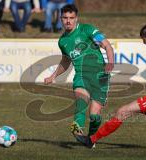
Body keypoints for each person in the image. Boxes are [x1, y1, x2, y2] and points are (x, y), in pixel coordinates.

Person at [44, 4, 114, 138]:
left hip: (100, 75)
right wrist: (53, 76)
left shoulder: (87, 29)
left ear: (76, 18)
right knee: (81, 101)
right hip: (81, 75)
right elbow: (66, 61)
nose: (68, 21)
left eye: (71, 17)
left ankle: (92, 138)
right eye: (65, 18)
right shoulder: (62, 41)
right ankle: (77, 127)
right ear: (61, 19)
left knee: (94, 115)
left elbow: (106, 45)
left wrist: (110, 63)